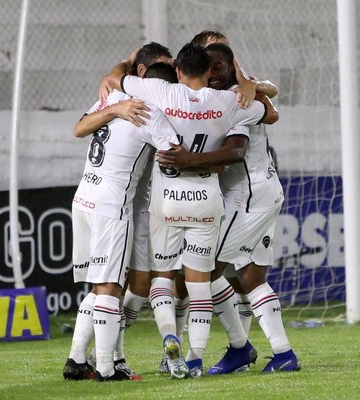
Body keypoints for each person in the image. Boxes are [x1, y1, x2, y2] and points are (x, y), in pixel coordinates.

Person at [104, 42, 278, 378]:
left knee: (164, 277)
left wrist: (125, 62)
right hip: (207, 200)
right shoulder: (229, 102)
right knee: (200, 283)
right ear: (210, 72)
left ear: (179, 72)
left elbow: (117, 80)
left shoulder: (162, 93)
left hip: (168, 200)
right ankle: (196, 358)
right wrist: (250, 85)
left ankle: (171, 338)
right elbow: (267, 112)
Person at [156, 40, 301, 374]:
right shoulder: (231, 95)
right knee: (250, 278)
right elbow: (271, 106)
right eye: (210, 67)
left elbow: (236, 150)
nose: (213, 74)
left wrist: (189, 161)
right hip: (262, 194)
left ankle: (213, 352)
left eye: (219, 67)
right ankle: (282, 354)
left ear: (231, 67)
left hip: (245, 198)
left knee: (199, 273)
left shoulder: (234, 99)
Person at [63, 59, 179, 382]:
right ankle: (106, 368)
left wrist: (114, 100)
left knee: (101, 285)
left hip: (84, 198)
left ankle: (76, 361)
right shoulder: (149, 111)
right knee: (112, 288)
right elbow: (174, 153)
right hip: (112, 206)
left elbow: (78, 127)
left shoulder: (113, 98)